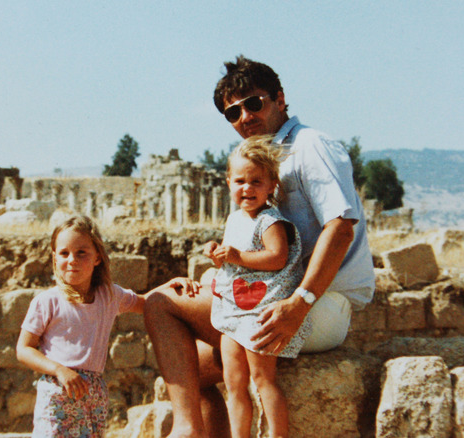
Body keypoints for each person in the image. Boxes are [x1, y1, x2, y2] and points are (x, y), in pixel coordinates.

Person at [144, 55, 375, 438]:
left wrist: (300, 303)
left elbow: (341, 228)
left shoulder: (310, 146)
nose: (244, 117)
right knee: (191, 370)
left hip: (316, 304)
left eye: (254, 103)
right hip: (274, 296)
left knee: (159, 304)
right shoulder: (262, 164)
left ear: (280, 99)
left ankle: (186, 430)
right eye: (233, 113)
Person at [204, 136, 306, 438]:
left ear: (271, 185)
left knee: (262, 379)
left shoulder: (270, 221)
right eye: (240, 181)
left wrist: (237, 256)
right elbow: (231, 261)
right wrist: (217, 254)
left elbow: (277, 257)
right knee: (233, 382)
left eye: (256, 181)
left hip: (260, 310)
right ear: (228, 182)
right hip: (234, 310)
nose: (247, 188)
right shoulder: (235, 219)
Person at [16, 215, 145, 437]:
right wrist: (59, 370)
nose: (72, 260)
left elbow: (147, 304)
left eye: (81, 252)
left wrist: (173, 288)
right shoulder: (47, 301)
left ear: (97, 257)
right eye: (64, 253)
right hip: (57, 392)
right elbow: (23, 349)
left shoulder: (109, 295)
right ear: (54, 257)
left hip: (93, 396)